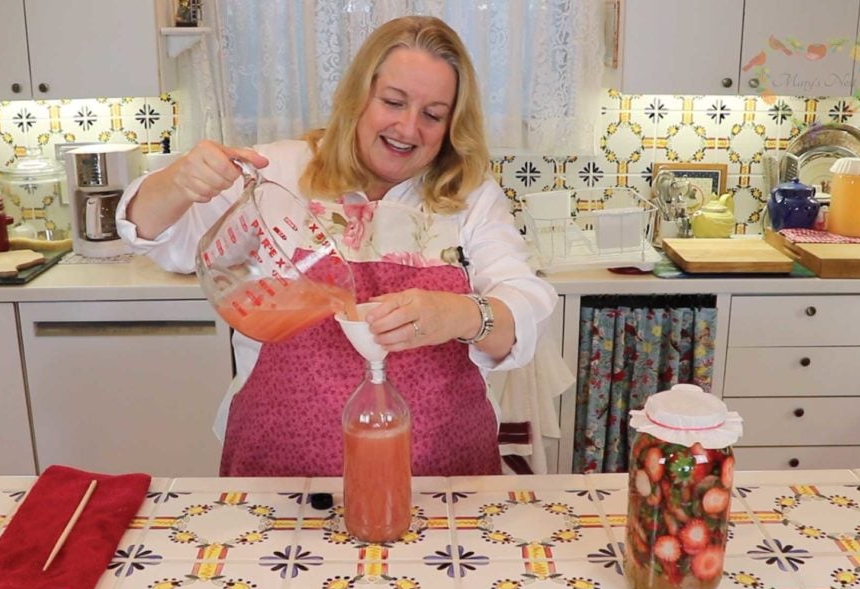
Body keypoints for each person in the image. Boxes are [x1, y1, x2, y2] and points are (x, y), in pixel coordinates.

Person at [116, 15, 558, 477]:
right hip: (281, 481)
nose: (408, 128)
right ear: (357, 98)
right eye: (393, 101)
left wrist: (460, 314)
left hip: (440, 481)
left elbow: (527, 304)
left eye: (432, 114)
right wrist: (178, 182)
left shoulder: (468, 196)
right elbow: (157, 236)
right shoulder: (278, 171)